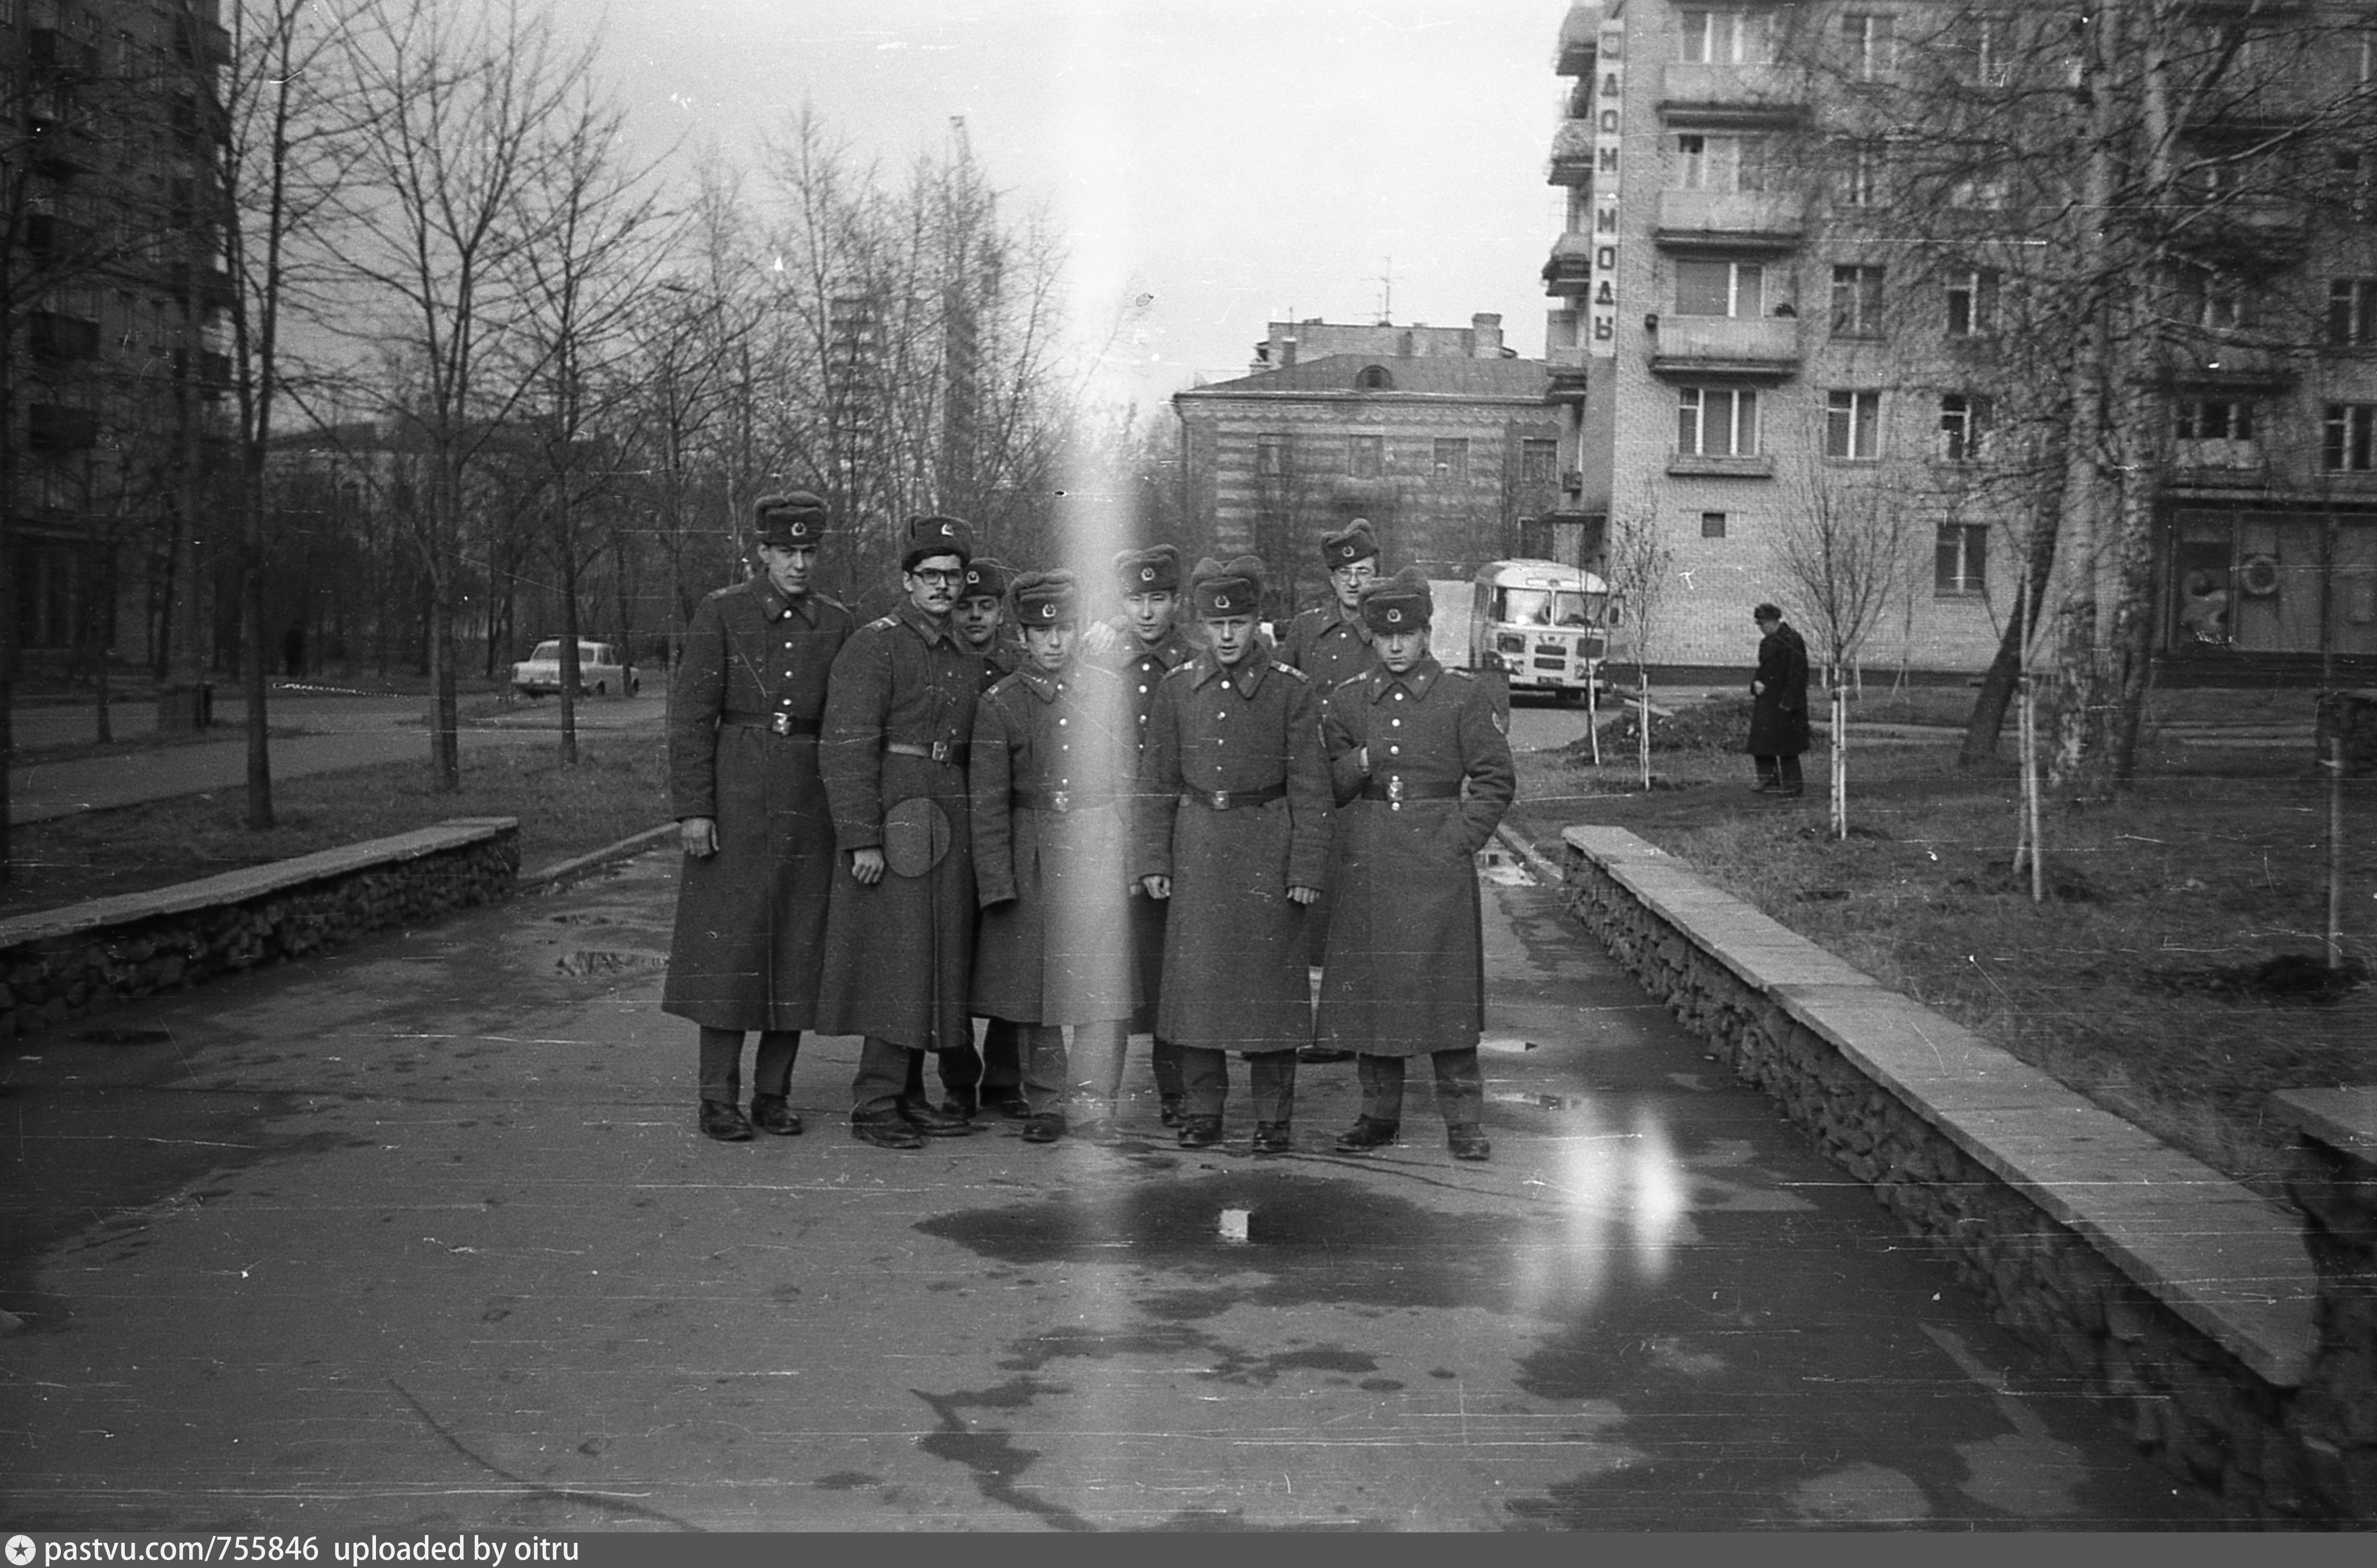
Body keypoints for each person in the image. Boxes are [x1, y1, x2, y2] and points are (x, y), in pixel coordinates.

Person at [661, 492, 855, 1142]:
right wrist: (696, 807)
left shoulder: (838, 622)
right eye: (787, 551)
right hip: (739, 797)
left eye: (810, 551)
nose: (800, 564)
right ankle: (718, 1097)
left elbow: (847, 725)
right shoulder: (723, 613)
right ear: (762, 552)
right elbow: (690, 718)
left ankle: (774, 1094)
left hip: (810, 805)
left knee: (798, 945)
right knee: (730, 949)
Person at [1315, 569, 1515, 1163]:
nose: (1396, 646)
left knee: (1446, 996)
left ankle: (1464, 1120)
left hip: (1437, 868)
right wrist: (1361, 759)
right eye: (1384, 636)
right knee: (1377, 993)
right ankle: (1377, 1114)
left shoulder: (1462, 695)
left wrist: (1459, 839)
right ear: (1372, 638)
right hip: (1372, 865)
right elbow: (1327, 780)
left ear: (1427, 633)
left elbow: (1495, 777)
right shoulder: (1350, 698)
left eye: (1408, 634)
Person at [1135, 555, 1331, 1155]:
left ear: (1258, 623)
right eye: (1216, 624)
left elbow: (1312, 789)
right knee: (1198, 988)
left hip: (1265, 852)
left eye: (1239, 623)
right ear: (1200, 625)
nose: (1227, 636)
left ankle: (1273, 1117)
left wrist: (1305, 868)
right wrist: (1152, 860)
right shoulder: (1176, 690)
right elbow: (1156, 783)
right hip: (1197, 851)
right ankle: (1202, 1110)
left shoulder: (1289, 692)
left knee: (1269, 989)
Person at [817, 515, 986, 1150]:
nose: (944, 587)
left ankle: (911, 1095)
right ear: (907, 580)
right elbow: (847, 744)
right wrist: (861, 834)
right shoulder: (876, 645)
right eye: (930, 575)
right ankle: (876, 1100)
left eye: (953, 575)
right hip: (895, 813)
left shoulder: (966, 655)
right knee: (895, 958)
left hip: (951, 813)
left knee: (934, 954)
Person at [969, 571, 1139, 1144]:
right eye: (1041, 632)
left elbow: (1128, 780)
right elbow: (988, 803)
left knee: (1101, 982)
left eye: (1064, 629)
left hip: (1098, 842)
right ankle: (1046, 1100)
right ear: (1022, 635)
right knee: (1038, 985)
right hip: (1031, 848)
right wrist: (996, 879)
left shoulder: (1107, 690)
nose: (1054, 643)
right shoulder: (1000, 703)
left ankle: (1094, 1103)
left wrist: (1130, 858)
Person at [1095, 543, 1196, 1126]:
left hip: (1178, 832)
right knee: (1111, 966)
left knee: (1171, 971)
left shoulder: (1197, 660)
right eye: (1136, 598)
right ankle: (1098, 1093)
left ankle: (1177, 1092)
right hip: (1113, 829)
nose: (1148, 611)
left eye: (1159, 597)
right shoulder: (1103, 661)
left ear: (1177, 601)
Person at [1278, 519, 1384, 1065]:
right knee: (1299, 907)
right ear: (1331, 578)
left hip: (1359, 790)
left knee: (1351, 912)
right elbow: (1281, 695)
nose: (1355, 583)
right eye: (1345, 573)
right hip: (1305, 788)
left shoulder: (1385, 632)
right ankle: (1295, 1024)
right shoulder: (1305, 630)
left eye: (1364, 572)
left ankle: (1346, 1027)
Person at [936, 554, 1027, 1121]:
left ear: (1001, 612)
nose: (974, 617)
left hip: (1006, 819)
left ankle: (1005, 1078)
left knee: (1008, 951)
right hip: (948, 813)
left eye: (986, 606)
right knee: (951, 954)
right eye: (965, 606)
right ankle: (956, 1078)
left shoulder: (1017, 666)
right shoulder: (937, 660)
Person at [1746, 602, 1810, 798]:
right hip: (1766, 700)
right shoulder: (1766, 643)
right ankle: (1767, 777)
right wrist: (1756, 683)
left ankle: (1793, 784)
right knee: (1762, 741)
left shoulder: (1792, 640)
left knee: (1787, 745)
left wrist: (1789, 702)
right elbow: (1762, 670)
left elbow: (1799, 673)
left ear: (1774, 622)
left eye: (1763, 624)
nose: (1761, 628)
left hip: (1784, 701)